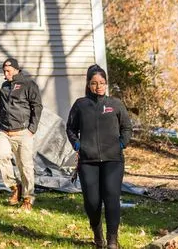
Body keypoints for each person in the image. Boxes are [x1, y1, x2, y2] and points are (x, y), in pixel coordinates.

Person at [66, 64, 133, 249]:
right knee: (92, 202)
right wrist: (78, 145)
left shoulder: (115, 104)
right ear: (88, 84)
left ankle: (112, 240)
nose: (99, 86)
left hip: (113, 160)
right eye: (94, 83)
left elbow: (127, 128)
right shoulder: (80, 105)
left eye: (102, 82)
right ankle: (98, 234)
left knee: (111, 197)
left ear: (106, 83)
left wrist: (121, 144)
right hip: (88, 161)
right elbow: (70, 128)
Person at [0, 57, 43, 212]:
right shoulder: (4, 87)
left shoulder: (28, 85)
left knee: (25, 166)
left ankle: (28, 198)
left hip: (23, 132)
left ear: (16, 69)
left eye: (8, 70)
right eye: (4, 71)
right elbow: (1, 108)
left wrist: (31, 129)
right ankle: (15, 187)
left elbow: (37, 106)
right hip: (4, 131)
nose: (5, 73)